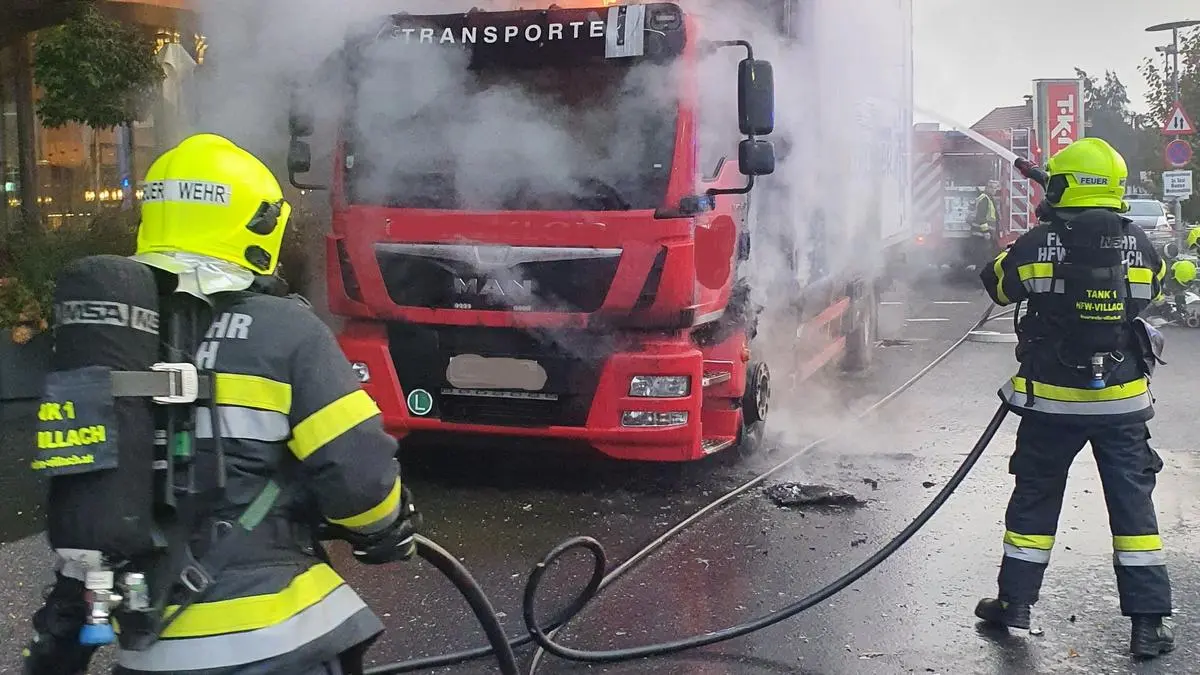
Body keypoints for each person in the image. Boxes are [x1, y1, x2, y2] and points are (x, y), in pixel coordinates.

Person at [26, 133, 418, 675]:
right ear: (255, 225)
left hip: (152, 650)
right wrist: (385, 526)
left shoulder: (110, 337)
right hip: (281, 639)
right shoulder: (286, 330)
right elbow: (359, 474)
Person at [977, 137, 1174, 658]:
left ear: (1067, 186)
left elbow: (997, 286)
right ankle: (1148, 625)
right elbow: (1149, 291)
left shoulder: (1041, 242)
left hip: (1052, 404)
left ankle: (1014, 604)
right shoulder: (1140, 244)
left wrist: (1030, 241)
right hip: (1123, 403)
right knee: (1133, 509)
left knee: (1035, 498)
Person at [969, 180, 1001, 268]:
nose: (994, 190)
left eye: (995, 188)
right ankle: (979, 277)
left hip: (983, 234)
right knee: (982, 257)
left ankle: (980, 275)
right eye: (992, 188)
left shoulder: (988, 198)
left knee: (984, 256)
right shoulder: (985, 199)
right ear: (987, 188)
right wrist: (986, 231)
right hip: (981, 234)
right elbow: (981, 216)